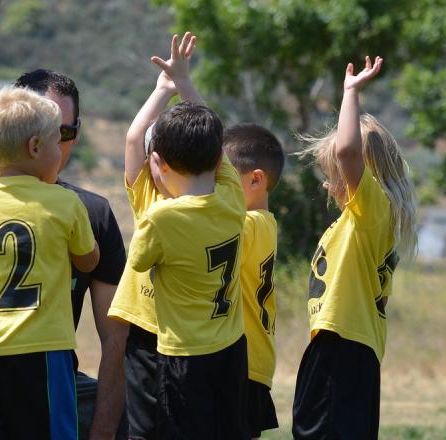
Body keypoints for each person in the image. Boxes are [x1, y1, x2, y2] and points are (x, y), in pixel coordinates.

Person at [0, 3, 131, 438]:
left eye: (66, 132)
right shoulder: (63, 207)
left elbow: (114, 337)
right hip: (41, 362)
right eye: (48, 133)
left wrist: (102, 432)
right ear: (31, 143)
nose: (56, 145)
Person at [0, 87, 101, 440]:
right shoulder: (65, 202)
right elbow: (88, 261)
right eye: (58, 142)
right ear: (36, 148)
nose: (60, 151)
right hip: (45, 350)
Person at [115, 32, 249, 439]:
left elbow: (138, 262)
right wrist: (183, 84)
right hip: (229, 347)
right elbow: (216, 143)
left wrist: (162, 91)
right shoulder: (232, 196)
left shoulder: (159, 216)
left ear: (157, 162)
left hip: (181, 354)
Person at [291, 56, 419, 440]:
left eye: (333, 176)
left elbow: (348, 151)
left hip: (342, 350)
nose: (328, 185)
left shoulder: (372, 208)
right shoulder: (356, 222)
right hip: (341, 349)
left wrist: (349, 93)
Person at [223, 123, 286, 438]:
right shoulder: (262, 224)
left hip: (243, 365)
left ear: (256, 180)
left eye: (223, 178)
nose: (215, 186)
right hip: (249, 363)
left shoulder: (250, 224)